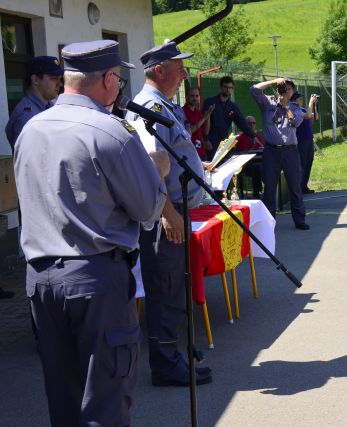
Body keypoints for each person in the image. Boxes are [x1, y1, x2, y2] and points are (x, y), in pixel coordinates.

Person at [13, 39, 169, 426]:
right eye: (118, 80)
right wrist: (158, 171)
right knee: (104, 403)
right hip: (96, 279)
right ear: (108, 80)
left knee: (63, 402)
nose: (119, 89)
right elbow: (148, 208)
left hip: (41, 279)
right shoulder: (111, 132)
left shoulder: (30, 128)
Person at [126, 41, 212, 386]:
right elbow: (149, 166)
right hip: (166, 215)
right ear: (159, 70)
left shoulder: (161, 104)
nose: (184, 75)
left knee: (176, 287)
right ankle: (164, 365)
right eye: (178, 68)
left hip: (175, 209)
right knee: (165, 289)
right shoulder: (148, 107)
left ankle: (174, 353)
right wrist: (167, 212)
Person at [250, 77, 308, 230]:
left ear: (292, 92)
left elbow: (296, 122)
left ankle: (299, 219)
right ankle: (269, 222)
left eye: (288, 89)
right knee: (269, 187)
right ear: (277, 90)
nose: (284, 91)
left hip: (290, 151)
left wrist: (285, 106)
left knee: (295, 185)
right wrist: (274, 81)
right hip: (271, 150)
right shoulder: (267, 103)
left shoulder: (295, 108)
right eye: (282, 88)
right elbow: (254, 89)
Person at [5, 56, 63, 153]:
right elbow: (30, 160)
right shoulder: (27, 116)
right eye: (54, 78)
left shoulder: (48, 106)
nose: (60, 84)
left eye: (60, 79)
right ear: (35, 79)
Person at [202, 75, 259, 160]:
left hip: (224, 142)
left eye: (230, 88)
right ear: (221, 87)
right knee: (211, 167)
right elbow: (203, 122)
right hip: (211, 141)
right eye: (226, 87)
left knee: (225, 166)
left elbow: (242, 122)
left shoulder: (233, 107)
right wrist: (206, 140)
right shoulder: (210, 102)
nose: (228, 90)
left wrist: (252, 135)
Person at [291, 92, 319, 194]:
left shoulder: (303, 109)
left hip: (308, 140)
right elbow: (307, 116)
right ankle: (298, 188)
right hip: (300, 140)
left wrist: (315, 105)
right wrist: (311, 102)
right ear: (295, 100)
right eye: (300, 99)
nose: (302, 101)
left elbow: (315, 117)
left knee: (308, 162)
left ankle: (304, 186)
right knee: (301, 164)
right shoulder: (294, 110)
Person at [235, 115, 264, 197]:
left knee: (266, 167)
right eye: (249, 123)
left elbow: (263, 149)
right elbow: (243, 154)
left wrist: (257, 141)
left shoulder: (257, 136)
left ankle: (269, 192)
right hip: (245, 165)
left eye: (253, 123)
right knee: (257, 167)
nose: (252, 125)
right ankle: (257, 193)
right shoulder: (241, 137)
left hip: (258, 162)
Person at [183, 86, 214, 160]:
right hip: (189, 153)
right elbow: (189, 131)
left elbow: (205, 132)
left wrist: (208, 116)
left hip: (201, 151)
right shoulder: (182, 112)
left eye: (197, 96)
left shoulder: (199, 112)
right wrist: (204, 118)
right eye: (192, 96)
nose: (195, 98)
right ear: (186, 97)